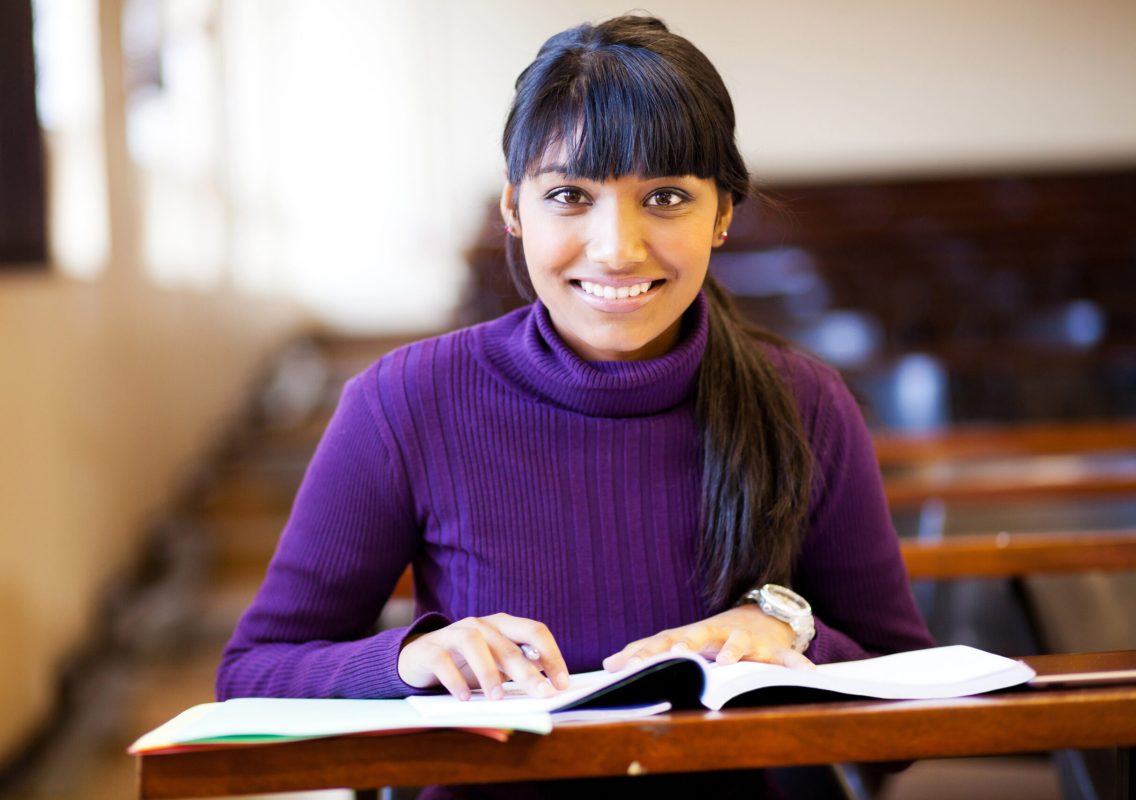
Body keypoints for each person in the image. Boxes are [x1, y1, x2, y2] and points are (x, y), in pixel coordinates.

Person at [217, 14, 934, 799]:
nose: (616, 248)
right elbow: (250, 676)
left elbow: (905, 715)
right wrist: (405, 661)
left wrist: (791, 632)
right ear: (515, 212)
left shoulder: (803, 402)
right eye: (569, 195)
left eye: (665, 197)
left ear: (723, 215)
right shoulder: (405, 403)